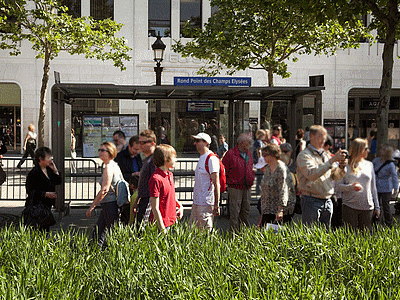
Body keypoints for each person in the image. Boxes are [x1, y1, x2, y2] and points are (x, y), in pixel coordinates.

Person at [296, 125, 347, 227]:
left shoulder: (325, 155)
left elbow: (334, 177)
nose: (323, 141)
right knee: (311, 235)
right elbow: (311, 175)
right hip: (311, 199)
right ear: (311, 136)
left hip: (327, 199)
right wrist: (332, 161)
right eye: (321, 138)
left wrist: (341, 167)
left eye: (324, 138)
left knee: (324, 236)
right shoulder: (304, 155)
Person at [336, 138, 380, 231]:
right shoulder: (344, 165)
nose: (368, 151)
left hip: (368, 207)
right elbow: (338, 186)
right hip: (349, 206)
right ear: (359, 150)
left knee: (366, 238)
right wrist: (351, 187)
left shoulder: (369, 165)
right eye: (366, 148)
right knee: (350, 237)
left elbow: (373, 187)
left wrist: (377, 206)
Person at [86, 142, 122, 246]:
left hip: (110, 204)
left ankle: (115, 253)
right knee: (99, 230)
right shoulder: (113, 165)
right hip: (109, 204)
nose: (100, 152)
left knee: (113, 232)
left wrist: (92, 206)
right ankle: (95, 250)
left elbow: (104, 189)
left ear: (110, 152)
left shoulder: (109, 167)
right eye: (99, 150)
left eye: (103, 150)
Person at [222, 133, 255, 232]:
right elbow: (224, 169)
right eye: (248, 143)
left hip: (247, 186)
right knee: (234, 212)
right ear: (241, 143)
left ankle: (244, 234)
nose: (249, 145)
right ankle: (234, 234)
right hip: (235, 186)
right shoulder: (231, 154)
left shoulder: (248, 154)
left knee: (246, 210)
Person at [25, 147, 62, 231]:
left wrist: (55, 170)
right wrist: (45, 194)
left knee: (45, 230)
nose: (51, 160)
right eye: (48, 158)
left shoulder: (49, 170)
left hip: (47, 206)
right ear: (40, 159)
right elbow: (30, 191)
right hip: (37, 207)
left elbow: (58, 181)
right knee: (39, 231)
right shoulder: (34, 173)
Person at [149, 144, 184, 233]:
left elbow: (171, 195)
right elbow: (155, 207)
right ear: (165, 159)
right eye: (174, 157)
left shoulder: (170, 175)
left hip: (172, 221)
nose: (176, 160)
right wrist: (162, 228)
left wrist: (179, 205)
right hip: (162, 225)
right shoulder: (156, 179)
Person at [190, 132, 220, 231]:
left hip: (206, 203)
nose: (195, 143)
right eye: (195, 141)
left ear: (206, 142)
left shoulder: (211, 159)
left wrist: (216, 204)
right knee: (194, 232)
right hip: (197, 202)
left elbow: (216, 183)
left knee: (205, 233)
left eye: (198, 141)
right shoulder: (202, 157)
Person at [259, 144, 296, 226]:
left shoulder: (281, 168)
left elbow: (284, 189)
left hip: (279, 210)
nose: (263, 157)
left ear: (273, 155)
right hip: (268, 209)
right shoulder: (268, 167)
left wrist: (280, 210)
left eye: (265, 155)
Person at [133, 129, 157, 227]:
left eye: (143, 142)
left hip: (149, 200)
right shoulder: (147, 159)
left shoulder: (154, 160)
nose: (140, 145)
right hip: (144, 199)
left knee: (142, 229)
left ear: (152, 143)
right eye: (139, 142)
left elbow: (156, 183)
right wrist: (137, 199)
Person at [373, 144, 399, 227]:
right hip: (376, 186)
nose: (381, 151)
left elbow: (394, 177)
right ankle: (375, 222)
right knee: (375, 205)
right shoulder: (375, 161)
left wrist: (395, 189)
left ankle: (388, 224)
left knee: (386, 207)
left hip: (386, 188)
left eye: (383, 150)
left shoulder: (390, 164)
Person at [253, 129, 267, 195]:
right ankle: (258, 190)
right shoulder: (259, 142)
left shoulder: (259, 142)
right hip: (259, 161)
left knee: (260, 176)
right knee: (260, 175)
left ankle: (258, 189)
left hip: (259, 160)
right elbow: (259, 151)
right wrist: (260, 160)